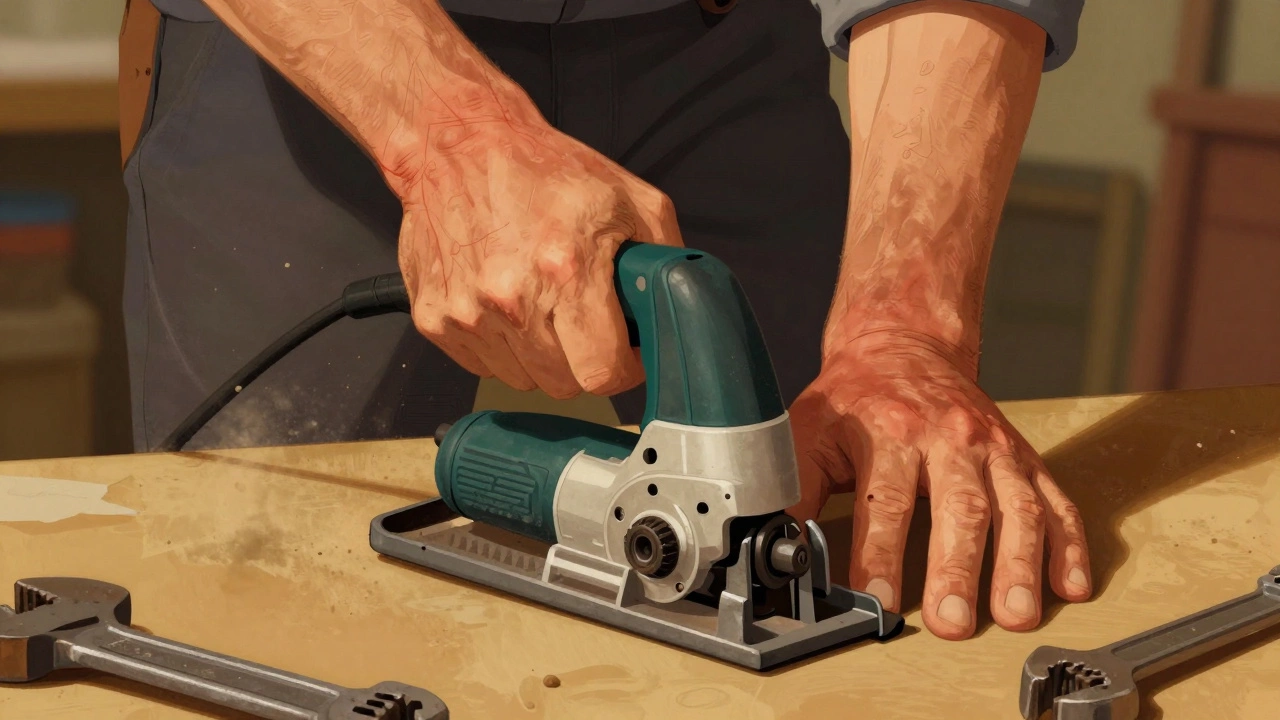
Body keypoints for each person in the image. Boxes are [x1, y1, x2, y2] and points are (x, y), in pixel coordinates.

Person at [117, 0, 1092, 641]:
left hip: (723, 44)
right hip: (328, 49)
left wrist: (903, 328)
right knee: (259, 588)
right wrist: (450, 137)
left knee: (849, 566)